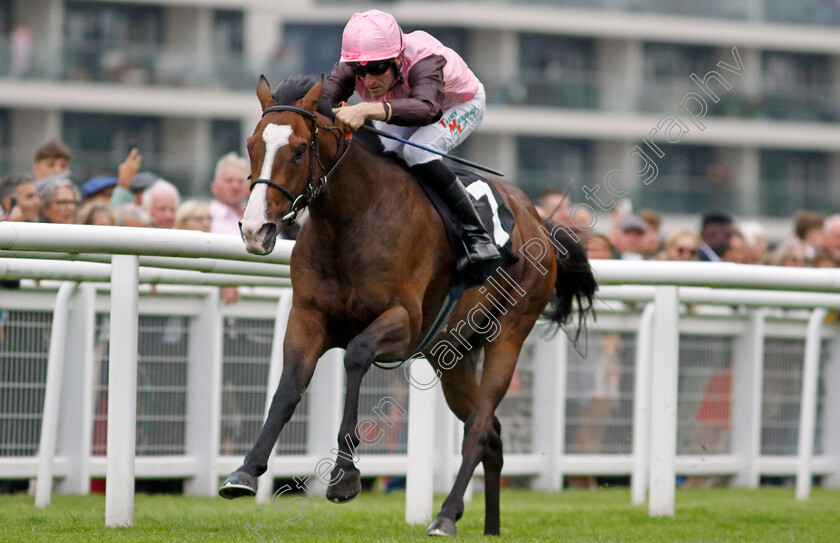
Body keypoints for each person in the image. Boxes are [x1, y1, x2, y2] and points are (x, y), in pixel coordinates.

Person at [324, 9, 499, 268]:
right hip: (405, 104)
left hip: (458, 104)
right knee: (381, 154)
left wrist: (364, 109)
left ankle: (477, 234)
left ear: (397, 57)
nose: (368, 81)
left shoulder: (424, 58)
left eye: (377, 69)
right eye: (359, 72)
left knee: (418, 153)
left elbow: (428, 108)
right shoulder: (356, 63)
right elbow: (322, 100)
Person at [209, 153, 249, 236]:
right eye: (229, 181)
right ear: (215, 187)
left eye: (240, 181)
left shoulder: (259, 218)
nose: (235, 186)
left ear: (248, 187)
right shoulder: (206, 218)